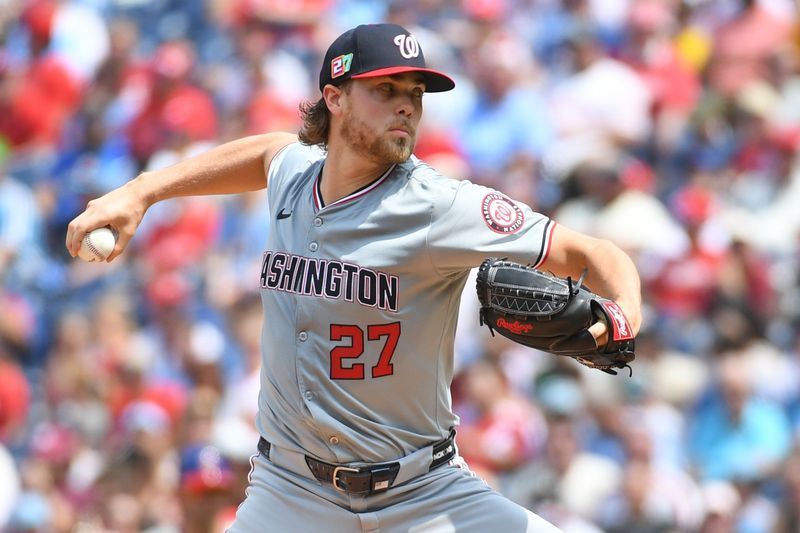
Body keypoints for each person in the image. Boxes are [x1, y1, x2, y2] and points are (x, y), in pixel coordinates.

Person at [67, 23, 642, 533]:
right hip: (290, 490)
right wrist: (140, 192)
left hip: (423, 491)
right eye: (386, 90)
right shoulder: (294, 174)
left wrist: (622, 315)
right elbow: (267, 151)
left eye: (415, 95)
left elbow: (590, 251)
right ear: (335, 98)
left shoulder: (440, 206)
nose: (407, 108)